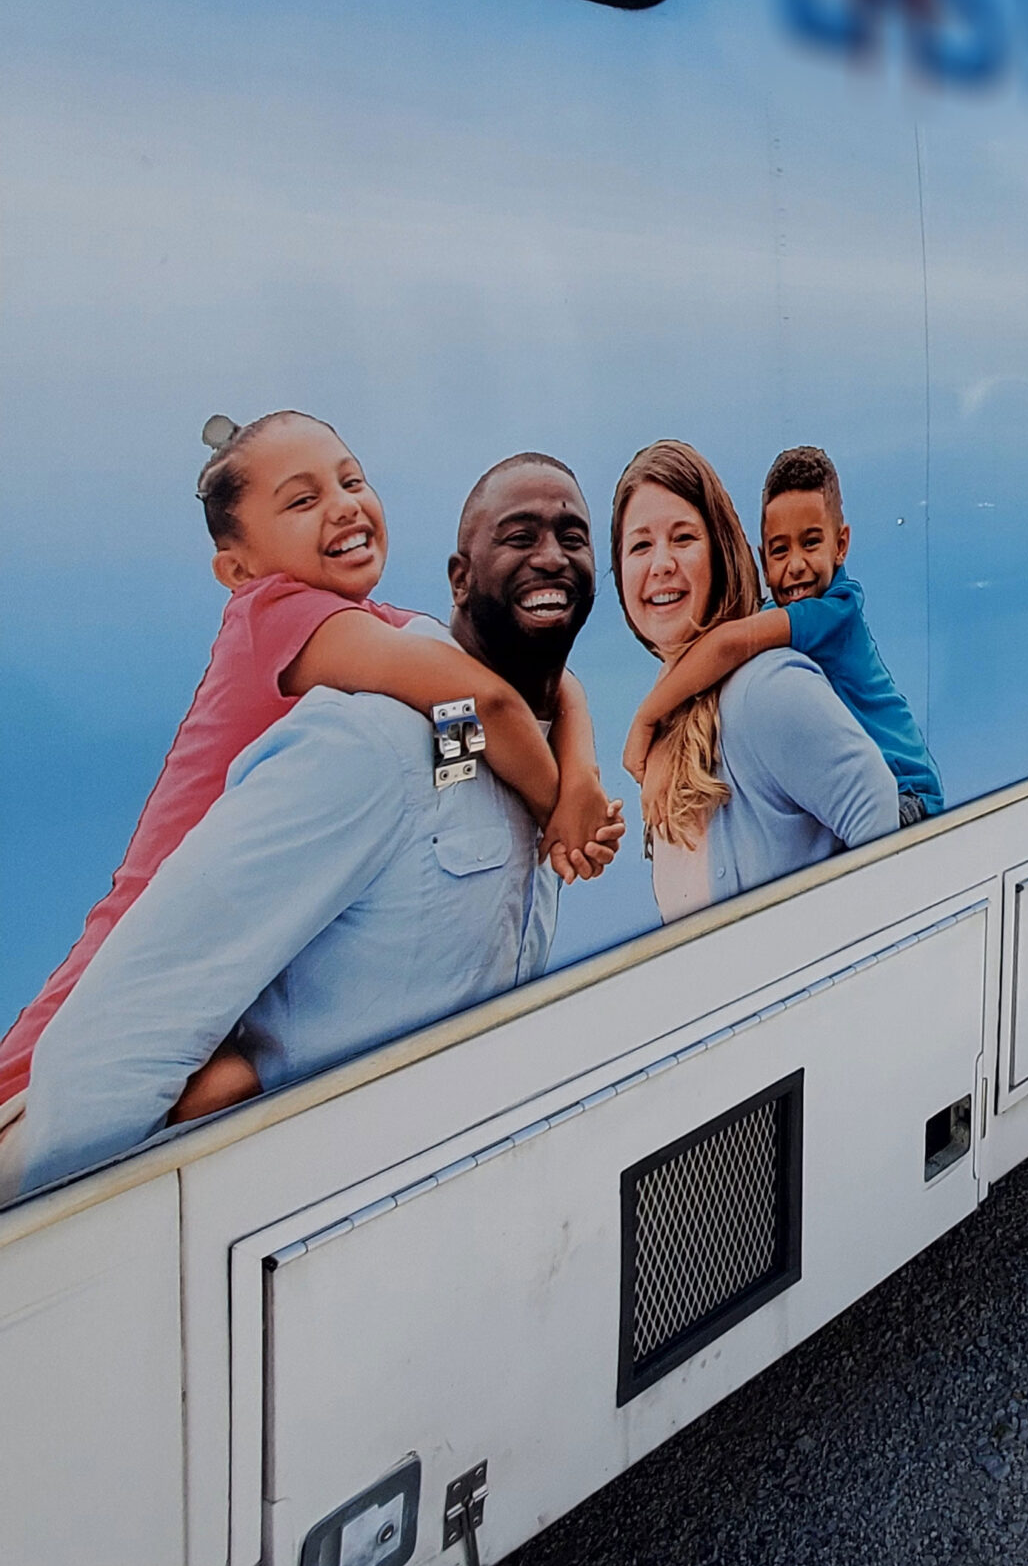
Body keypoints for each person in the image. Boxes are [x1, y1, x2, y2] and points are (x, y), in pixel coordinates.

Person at [0, 454, 621, 1204]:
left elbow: (493, 716)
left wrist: (573, 774)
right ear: (461, 577)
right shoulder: (368, 740)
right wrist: (78, 1254)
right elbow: (102, 1052)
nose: (551, 555)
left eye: (573, 536)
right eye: (519, 536)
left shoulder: (457, 731)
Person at [612, 441, 899, 925]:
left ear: (722, 552)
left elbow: (878, 812)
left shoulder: (764, 690)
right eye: (640, 545)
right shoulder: (678, 704)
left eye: (683, 538)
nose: (660, 563)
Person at [622, 444, 942, 825]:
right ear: (762, 559)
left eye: (810, 543)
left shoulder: (836, 610)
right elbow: (708, 658)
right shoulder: (775, 614)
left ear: (840, 545)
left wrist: (647, 717)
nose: (795, 565)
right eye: (779, 550)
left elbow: (725, 644)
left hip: (907, 796)